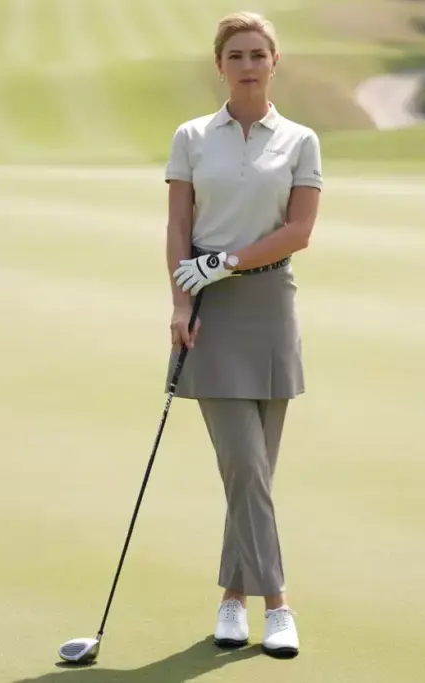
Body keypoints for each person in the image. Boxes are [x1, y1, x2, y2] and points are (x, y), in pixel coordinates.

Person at [162, 10, 323, 660]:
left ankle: (231, 597)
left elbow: (300, 232)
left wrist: (225, 261)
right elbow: (177, 227)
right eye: (237, 55)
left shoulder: (301, 140)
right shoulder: (193, 136)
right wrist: (179, 302)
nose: (249, 64)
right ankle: (278, 603)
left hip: (271, 307)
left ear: (274, 62)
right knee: (246, 465)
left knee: (254, 472)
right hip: (212, 313)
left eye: (259, 54)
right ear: (221, 65)